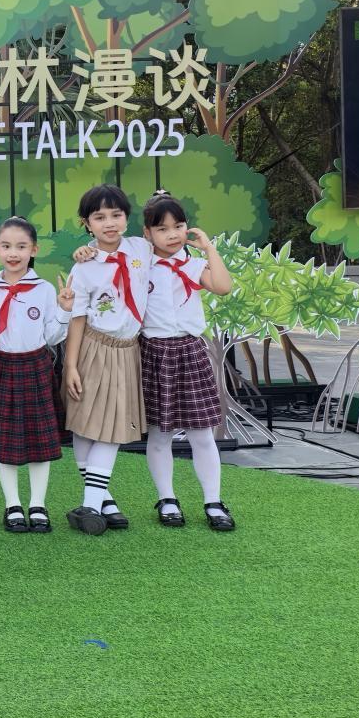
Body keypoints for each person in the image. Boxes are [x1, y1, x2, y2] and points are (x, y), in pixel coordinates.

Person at [140, 192, 236, 532]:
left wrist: (208, 249)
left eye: (178, 226)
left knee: (202, 433)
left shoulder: (193, 265)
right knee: (159, 433)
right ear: (147, 233)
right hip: (153, 352)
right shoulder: (139, 265)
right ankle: (167, 499)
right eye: (162, 228)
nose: (172, 234)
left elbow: (222, 286)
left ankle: (213, 501)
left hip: (190, 351)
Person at [62, 184, 152, 536]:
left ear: (128, 218)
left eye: (116, 215)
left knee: (111, 428)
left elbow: (168, 235)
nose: (109, 223)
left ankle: (94, 503)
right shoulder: (83, 267)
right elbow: (77, 319)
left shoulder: (142, 248)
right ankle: (99, 502)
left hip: (127, 350)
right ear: (87, 223)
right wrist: (71, 365)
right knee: (86, 423)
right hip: (93, 348)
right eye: (99, 217)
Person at [0, 218, 74, 535]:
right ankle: (12, 505)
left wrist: (64, 310)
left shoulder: (44, 289)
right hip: (1, 367)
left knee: (38, 440)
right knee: (5, 439)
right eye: (6, 246)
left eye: (21, 247)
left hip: (36, 366)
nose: (13, 253)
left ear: (34, 249)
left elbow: (52, 336)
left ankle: (38, 504)